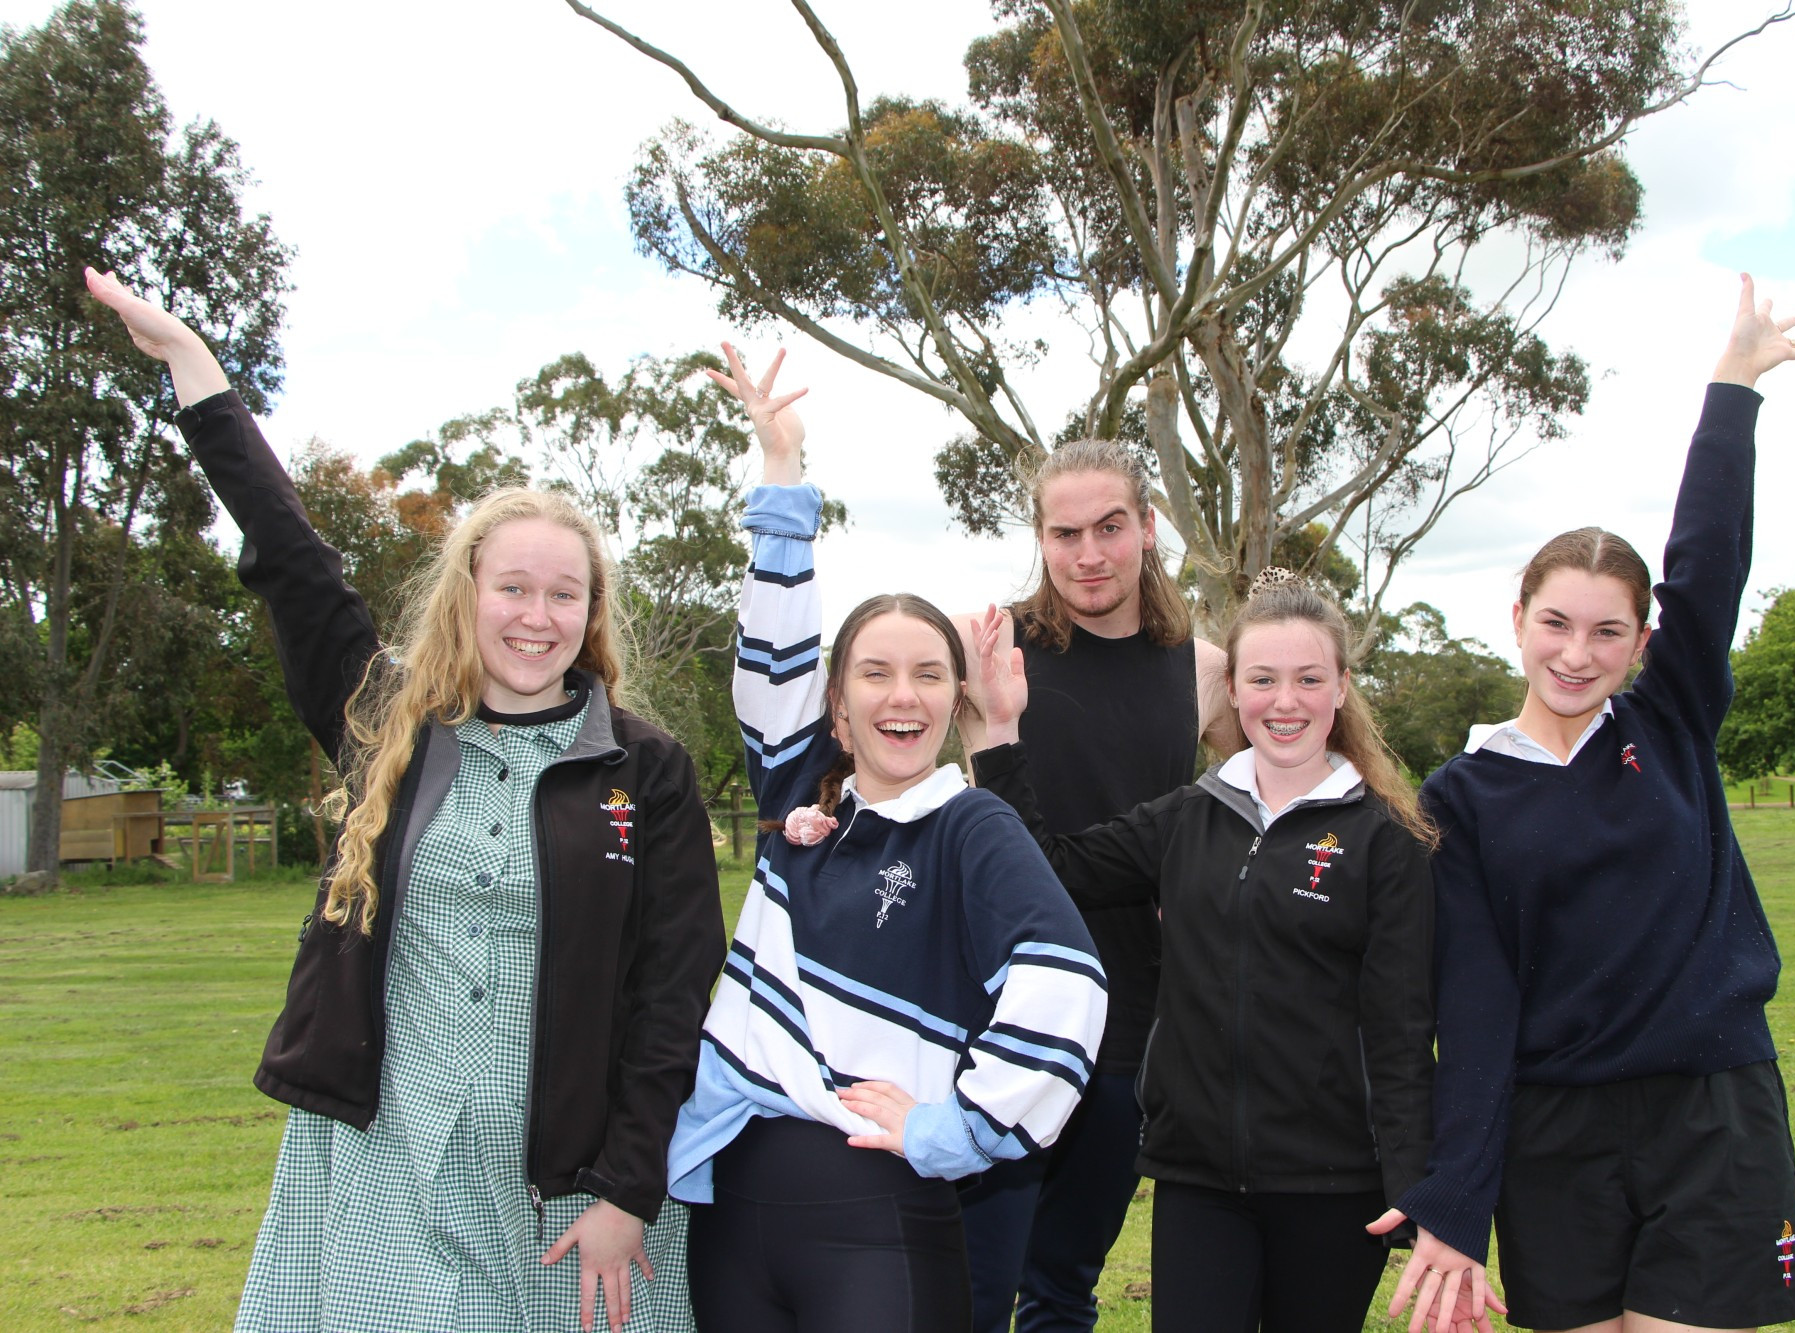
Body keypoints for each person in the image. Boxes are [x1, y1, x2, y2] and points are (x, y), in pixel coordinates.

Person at [85, 267, 727, 1333]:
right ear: (466, 595)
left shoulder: (642, 768)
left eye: (562, 593)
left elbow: (672, 995)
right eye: (511, 588)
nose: (535, 616)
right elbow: (293, 562)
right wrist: (194, 369)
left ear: (592, 610)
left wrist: (627, 1190)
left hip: (569, 1174)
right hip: (390, 1155)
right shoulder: (389, 719)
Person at [1387, 275, 1795, 1333]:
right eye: (1555, 623)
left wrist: (1732, 386)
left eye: (1605, 631)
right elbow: (1477, 1012)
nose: (1575, 654)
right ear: (1516, 621)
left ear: (1639, 640)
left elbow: (1706, 559)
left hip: (1709, 1109)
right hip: (1558, 1135)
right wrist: (1453, 1205)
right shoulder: (1461, 795)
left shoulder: (1666, 722)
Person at [666, 345, 1109, 1333]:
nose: (900, 694)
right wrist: (781, 477)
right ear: (837, 704)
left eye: (925, 673)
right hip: (732, 1197)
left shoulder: (968, 827)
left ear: (955, 699)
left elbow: (1068, 984)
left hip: (874, 1207)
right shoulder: (802, 800)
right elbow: (770, 650)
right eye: (873, 672)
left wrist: (958, 1128)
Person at [967, 569, 1453, 1333]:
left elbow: (1398, 1031)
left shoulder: (1384, 841)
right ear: (1233, 689)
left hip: (1334, 1187)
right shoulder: (1190, 816)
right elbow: (1051, 868)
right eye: (1262, 678)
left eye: (1308, 678)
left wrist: (1418, 1193)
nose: (1284, 701)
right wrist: (999, 734)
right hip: (1195, 1177)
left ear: (1341, 688)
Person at [951, 439, 1239, 1333]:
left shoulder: (1205, 668)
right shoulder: (994, 650)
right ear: (1039, 536)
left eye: (1110, 527)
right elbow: (903, 774)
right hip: (990, 1001)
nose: (1088, 555)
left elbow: (1270, 798)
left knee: (1064, 1279)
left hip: (1127, 1016)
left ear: (1148, 528)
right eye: (1064, 532)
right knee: (969, 1273)